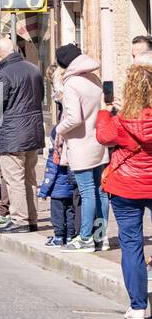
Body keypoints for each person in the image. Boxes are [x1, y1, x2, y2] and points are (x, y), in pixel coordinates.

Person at [95, 62, 152, 319]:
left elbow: (104, 137)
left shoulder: (121, 120)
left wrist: (105, 112)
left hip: (126, 185)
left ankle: (138, 306)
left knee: (131, 245)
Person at [0, 36, 45, 233]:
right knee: (30, 177)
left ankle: (20, 220)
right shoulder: (34, 69)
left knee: (14, 179)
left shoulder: (4, 74)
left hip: (13, 133)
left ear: (0, 53)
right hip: (33, 130)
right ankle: (32, 218)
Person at [52, 44, 108, 251]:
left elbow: (74, 118)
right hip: (98, 141)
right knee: (101, 192)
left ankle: (85, 237)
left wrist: (59, 128)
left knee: (87, 192)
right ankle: (100, 237)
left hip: (81, 143)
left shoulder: (72, 83)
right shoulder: (93, 79)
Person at [38, 125, 78, 246]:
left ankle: (59, 236)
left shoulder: (55, 155)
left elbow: (50, 175)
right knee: (70, 214)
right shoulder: (73, 153)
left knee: (57, 216)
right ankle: (70, 236)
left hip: (57, 193)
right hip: (70, 191)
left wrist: (43, 192)